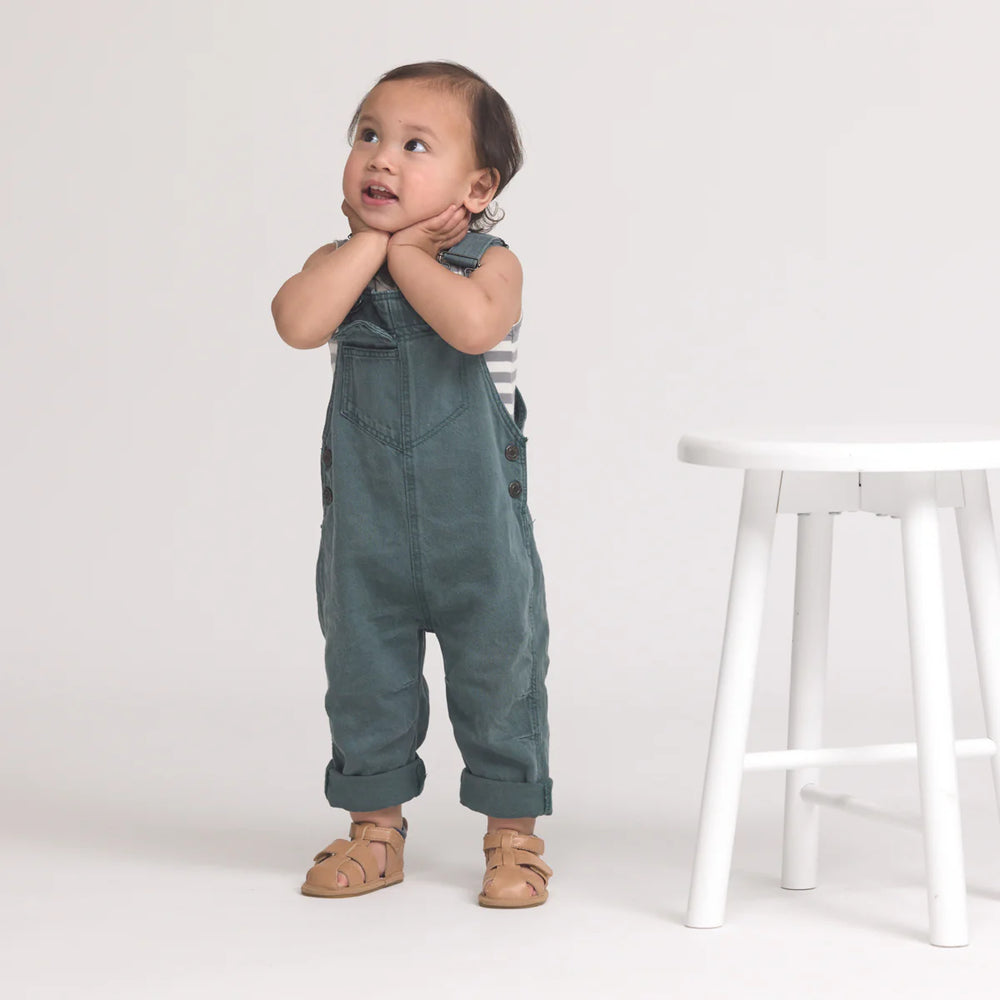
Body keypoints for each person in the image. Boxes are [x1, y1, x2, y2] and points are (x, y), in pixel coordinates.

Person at [271, 61, 552, 908]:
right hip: (367, 536)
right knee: (365, 676)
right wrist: (370, 246)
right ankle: (375, 831)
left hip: (480, 543)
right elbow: (296, 322)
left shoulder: (490, 266)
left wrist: (403, 253)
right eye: (367, 137)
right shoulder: (340, 264)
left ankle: (512, 837)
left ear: (476, 187)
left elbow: (470, 329)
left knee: (499, 678)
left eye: (413, 145)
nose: (381, 160)